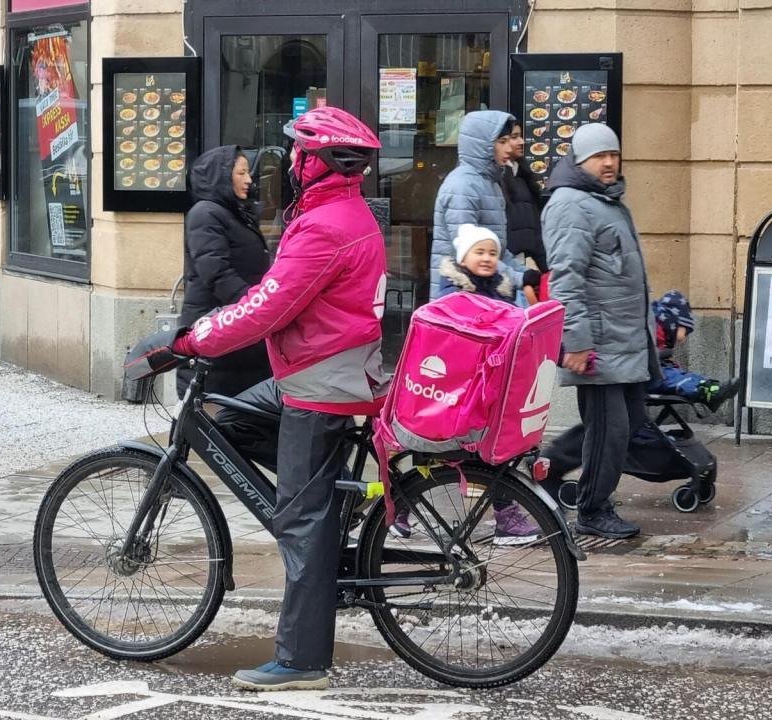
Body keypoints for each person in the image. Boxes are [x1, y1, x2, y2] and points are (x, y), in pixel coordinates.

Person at [158, 107, 386, 691]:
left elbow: (267, 308)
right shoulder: (340, 212)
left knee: (303, 523)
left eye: (297, 153)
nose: (286, 161)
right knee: (229, 423)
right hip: (320, 372)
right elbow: (274, 292)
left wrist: (190, 339)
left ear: (318, 163)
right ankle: (315, 505)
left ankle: (301, 661)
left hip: (320, 383)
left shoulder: (324, 225)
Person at [541, 123, 660, 540]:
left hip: (624, 339)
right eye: (598, 156)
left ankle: (554, 465)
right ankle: (592, 508)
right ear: (579, 160)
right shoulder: (571, 205)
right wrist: (575, 341)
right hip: (599, 343)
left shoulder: (605, 201)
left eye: (613, 154)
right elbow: (566, 280)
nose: (609, 162)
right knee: (612, 430)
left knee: (629, 421)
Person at [391, 223, 539, 545]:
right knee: (435, 453)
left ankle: (505, 515)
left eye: (492, 253)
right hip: (451, 389)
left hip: (480, 389)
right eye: (479, 252)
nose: (487, 258)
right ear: (463, 257)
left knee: (484, 454)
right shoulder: (452, 291)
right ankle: (398, 510)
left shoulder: (501, 287)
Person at [177, 145, 271, 397]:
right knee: (212, 411)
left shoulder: (234, 213)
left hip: (236, 325)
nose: (249, 180)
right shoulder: (205, 213)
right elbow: (216, 271)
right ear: (221, 175)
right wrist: (254, 306)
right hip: (215, 325)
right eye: (241, 173)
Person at [429, 110, 537, 302]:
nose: (509, 148)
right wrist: (520, 277)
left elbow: (498, 250)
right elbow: (471, 253)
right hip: (461, 298)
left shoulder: (490, 181)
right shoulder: (463, 186)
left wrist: (525, 273)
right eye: (502, 142)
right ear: (483, 145)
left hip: (485, 294)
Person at [649, 290, 739, 411]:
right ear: (675, 322)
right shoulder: (656, 328)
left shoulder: (659, 327)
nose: (684, 337)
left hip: (653, 373)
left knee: (684, 375)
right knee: (676, 378)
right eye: (685, 330)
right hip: (649, 377)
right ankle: (706, 391)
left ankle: (711, 388)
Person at [501, 122, 549, 302]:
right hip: (503, 273)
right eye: (513, 137)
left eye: (520, 136)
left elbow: (534, 230)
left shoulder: (522, 176)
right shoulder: (496, 180)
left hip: (519, 271)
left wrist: (548, 269)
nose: (521, 142)